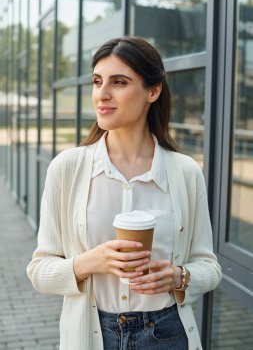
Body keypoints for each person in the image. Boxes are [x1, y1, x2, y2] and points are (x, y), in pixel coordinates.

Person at [27, 36, 222, 350]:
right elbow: (39, 271)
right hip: (92, 335)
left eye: (118, 82)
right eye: (97, 81)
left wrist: (178, 277)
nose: (101, 95)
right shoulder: (67, 168)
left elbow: (209, 267)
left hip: (167, 333)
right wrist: (91, 261)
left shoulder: (185, 172)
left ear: (153, 91)